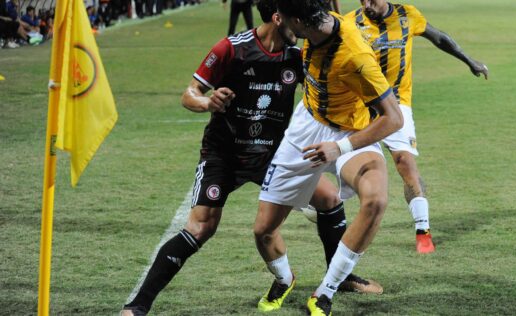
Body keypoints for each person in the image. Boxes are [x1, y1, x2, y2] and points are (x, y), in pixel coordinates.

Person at [120, 1, 378, 315]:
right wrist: (207, 102)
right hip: (224, 154)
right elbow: (189, 94)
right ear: (278, 17)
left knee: (329, 200)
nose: (301, 30)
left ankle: (340, 277)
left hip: (272, 153)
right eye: (295, 23)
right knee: (201, 227)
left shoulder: (299, 55)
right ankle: (138, 305)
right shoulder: (232, 49)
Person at [252, 0, 403, 315]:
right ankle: (284, 278)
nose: (280, 26)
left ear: (299, 22)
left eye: (285, 22)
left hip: (351, 132)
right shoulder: (319, 23)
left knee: (376, 200)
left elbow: (393, 118)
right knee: (263, 230)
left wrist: (342, 147)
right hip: (307, 127)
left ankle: (326, 291)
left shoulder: (356, 56)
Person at [343, 1, 488, 254]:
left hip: (397, 104)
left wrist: (469, 60)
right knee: (344, 166)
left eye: (372, 0)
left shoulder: (406, 15)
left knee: (405, 163)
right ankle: (324, 207)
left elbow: (439, 38)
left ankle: (423, 230)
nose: (366, 5)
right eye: (362, 0)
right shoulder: (350, 22)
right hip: (359, 104)